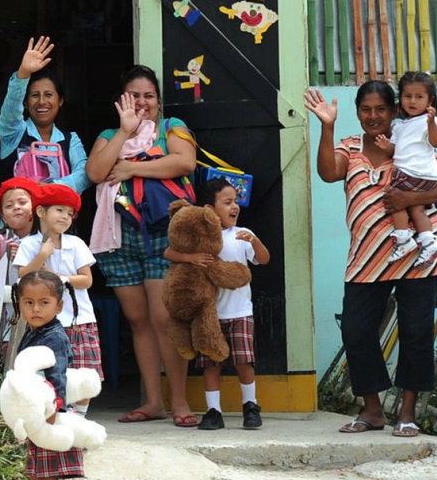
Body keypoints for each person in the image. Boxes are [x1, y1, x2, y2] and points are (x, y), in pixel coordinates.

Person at [305, 82, 437, 438]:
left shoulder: (409, 140)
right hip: (366, 257)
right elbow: (328, 172)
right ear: (358, 112)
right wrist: (327, 126)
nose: (373, 117)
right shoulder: (350, 147)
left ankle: (406, 412)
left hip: (416, 256)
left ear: (393, 110)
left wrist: (404, 201)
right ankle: (372, 411)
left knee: (416, 333)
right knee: (356, 331)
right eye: (365, 110)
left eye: (380, 109)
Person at [86, 65, 201, 426]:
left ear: (159, 102)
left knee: (164, 318)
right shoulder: (108, 134)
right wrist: (125, 132)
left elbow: (184, 161)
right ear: (122, 100)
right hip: (119, 237)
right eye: (134, 95)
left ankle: (180, 402)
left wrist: (132, 169)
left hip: (163, 232)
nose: (142, 102)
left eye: (148, 96)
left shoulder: (172, 128)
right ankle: (154, 402)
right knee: (138, 322)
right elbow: (96, 172)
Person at [170, 179, 270, 431]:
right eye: (227, 202)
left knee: (244, 361)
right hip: (210, 316)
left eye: (235, 202)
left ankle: (250, 405)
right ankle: (214, 411)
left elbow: (264, 259)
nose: (234, 206)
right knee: (211, 365)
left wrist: (254, 241)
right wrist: (190, 257)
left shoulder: (241, 235)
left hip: (239, 312)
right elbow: (168, 253)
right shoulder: (199, 238)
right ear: (209, 210)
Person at [7, 269, 83, 480]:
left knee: (50, 476)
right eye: (28, 303)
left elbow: (58, 374)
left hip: (52, 413)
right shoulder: (35, 330)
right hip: (36, 413)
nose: (35, 309)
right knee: (37, 474)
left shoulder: (54, 337)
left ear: (59, 305)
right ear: (19, 303)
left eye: (43, 302)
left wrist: (54, 408)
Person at [14, 183, 99, 407]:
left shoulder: (76, 243)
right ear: (41, 212)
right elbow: (23, 276)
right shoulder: (29, 244)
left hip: (79, 319)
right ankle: (57, 419)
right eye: (59, 210)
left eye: (70, 213)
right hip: (46, 322)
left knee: (83, 374)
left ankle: (79, 419)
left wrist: (57, 277)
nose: (65, 217)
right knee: (52, 374)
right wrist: (42, 255)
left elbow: (87, 280)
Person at [0, 36, 89, 194]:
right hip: (16, 218)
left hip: (55, 219)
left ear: (60, 101)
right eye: (34, 95)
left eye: (48, 95)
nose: (42, 101)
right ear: (24, 103)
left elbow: (84, 174)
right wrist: (23, 74)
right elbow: (10, 112)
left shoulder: (71, 140)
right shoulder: (13, 133)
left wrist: (49, 188)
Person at [373, 70, 437, 267]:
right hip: (416, 174)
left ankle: (404, 239)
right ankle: (428, 241)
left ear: (429, 100)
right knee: (416, 208)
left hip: (416, 173)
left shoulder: (428, 121)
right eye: (407, 96)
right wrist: (385, 146)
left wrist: (431, 123)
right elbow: (396, 151)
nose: (412, 101)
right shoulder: (400, 126)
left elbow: (435, 142)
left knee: (394, 196)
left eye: (419, 97)